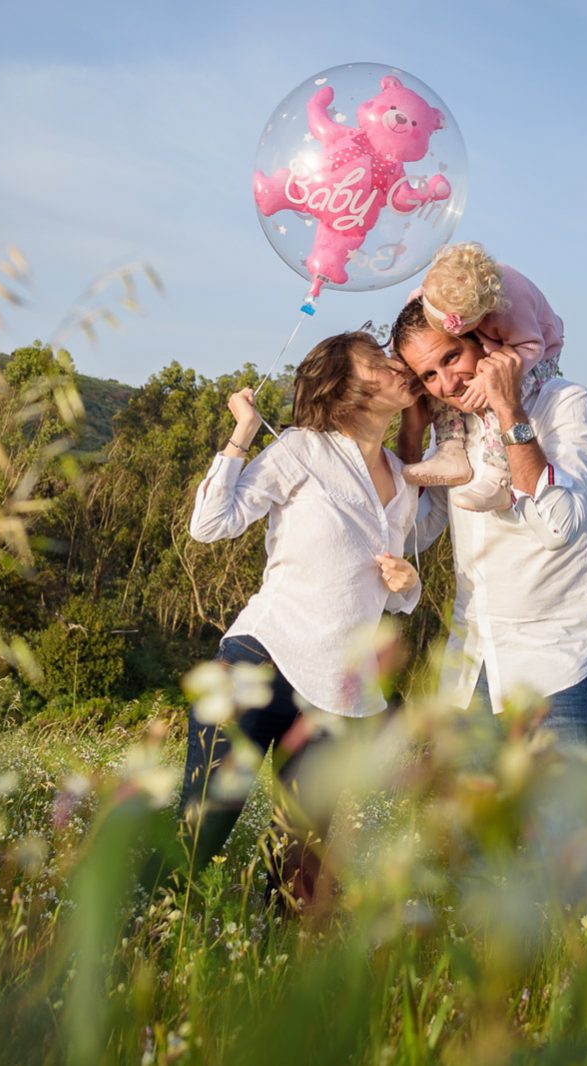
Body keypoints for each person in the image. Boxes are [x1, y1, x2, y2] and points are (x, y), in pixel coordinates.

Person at [179, 330, 422, 909]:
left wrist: (408, 584)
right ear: (346, 388)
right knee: (201, 834)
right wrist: (242, 429)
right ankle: (136, 942)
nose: (396, 367)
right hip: (261, 663)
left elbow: (376, 593)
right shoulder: (302, 448)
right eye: (378, 362)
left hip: (336, 691)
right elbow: (211, 524)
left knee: (300, 864)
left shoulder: (402, 480)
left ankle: (268, 981)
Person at [393, 297, 587, 757]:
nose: (447, 383)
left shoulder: (566, 405)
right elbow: (415, 533)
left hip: (559, 667)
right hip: (471, 667)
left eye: (452, 357)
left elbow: (558, 528)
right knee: (469, 833)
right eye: (429, 375)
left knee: (556, 832)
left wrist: (509, 409)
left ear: (486, 340)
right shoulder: (451, 430)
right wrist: (411, 435)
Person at [402, 243, 565, 513]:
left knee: (497, 391)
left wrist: (487, 381)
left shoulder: (511, 307)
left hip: (536, 351)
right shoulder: (432, 291)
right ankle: (450, 449)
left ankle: (498, 478)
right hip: (492, 343)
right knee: (439, 384)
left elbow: (532, 346)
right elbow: (413, 328)